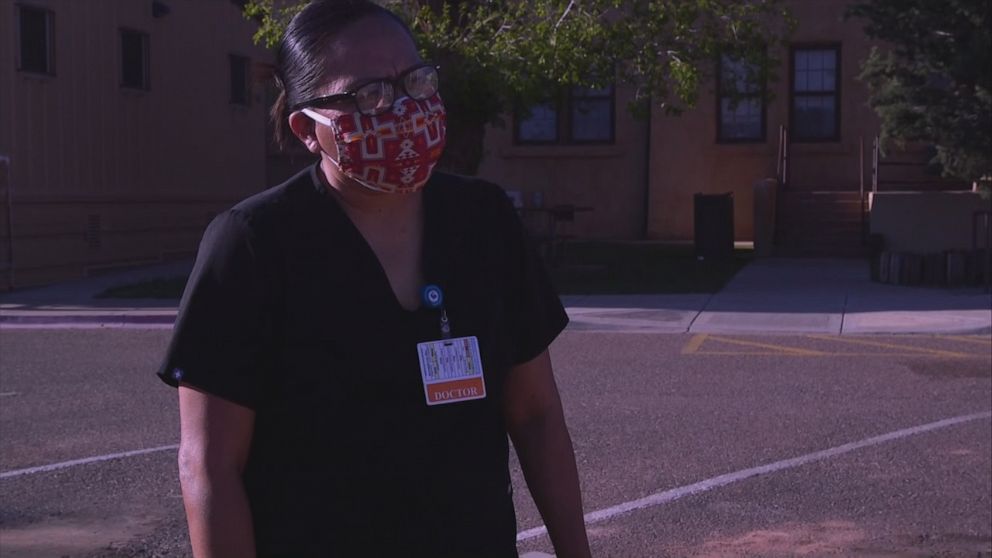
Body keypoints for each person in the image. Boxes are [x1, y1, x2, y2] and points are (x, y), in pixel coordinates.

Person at [157, 1, 592, 556]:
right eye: (369, 94)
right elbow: (211, 467)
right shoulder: (252, 245)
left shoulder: (483, 223)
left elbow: (535, 415)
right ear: (308, 129)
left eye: (415, 81)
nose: (404, 108)